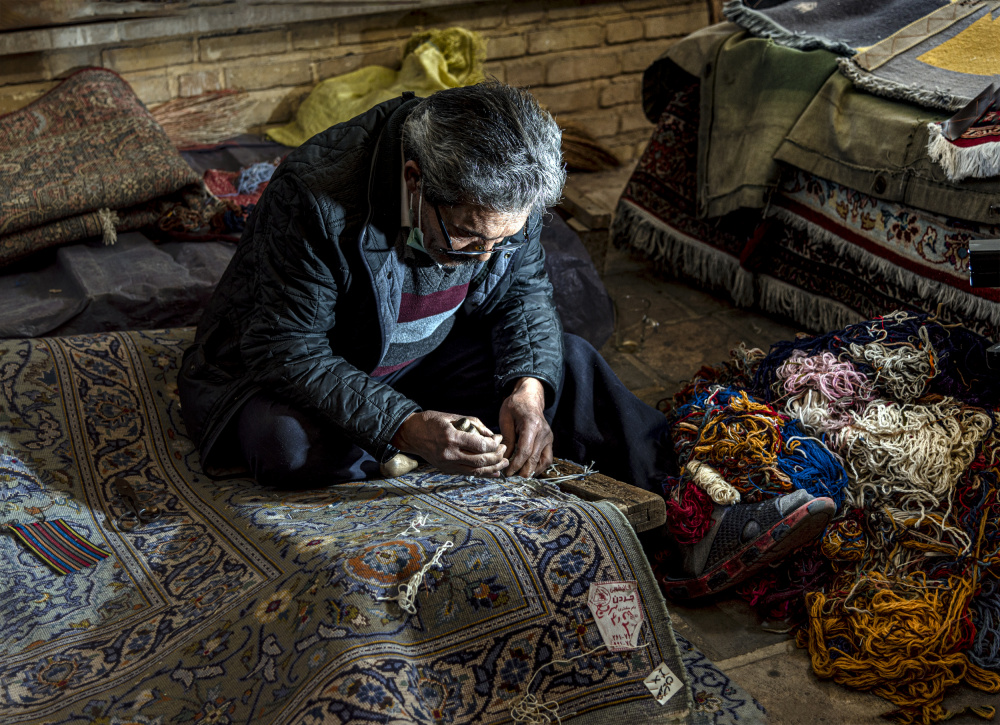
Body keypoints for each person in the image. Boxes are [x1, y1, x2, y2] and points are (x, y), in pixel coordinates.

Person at [178, 81, 833, 598]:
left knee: (569, 363)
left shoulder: (512, 187)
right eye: (468, 235)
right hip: (310, 362)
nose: (486, 255)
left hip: (421, 352)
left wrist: (527, 390)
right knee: (285, 446)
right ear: (415, 181)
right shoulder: (315, 196)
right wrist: (403, 426)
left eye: (504, 238)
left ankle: (696, 518)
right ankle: (413, 476)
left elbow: (523, 294)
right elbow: (287, 348)